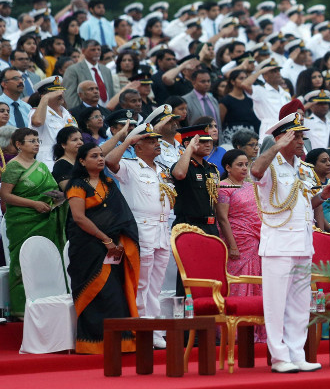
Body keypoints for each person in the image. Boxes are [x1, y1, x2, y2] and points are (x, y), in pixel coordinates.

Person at [250, 112, 330, 373]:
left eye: (302, 136)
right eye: (295, 136)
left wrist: (321, 196)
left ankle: (297, 353)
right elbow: (255, 171)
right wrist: (274, 145)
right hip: (278, 244)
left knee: (300, 304)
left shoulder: (301, 167)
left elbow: (301, 206)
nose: (301, 141)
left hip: (302, 241)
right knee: (277, 304)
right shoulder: (270, 165)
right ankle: (279, 357)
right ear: (281, 137)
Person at [105, 117, 175, 349]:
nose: (156, 143)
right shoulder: (131, 166)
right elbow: (109, 160)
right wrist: (126, 141)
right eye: (149, 140)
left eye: (157, 139)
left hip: (162, 229)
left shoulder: (162, 169)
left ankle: (155, 330)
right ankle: (141, 328)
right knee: (142, 283)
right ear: (138, 145)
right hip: (142, 229)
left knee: (156, 285)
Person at [66, 142, 140, 354]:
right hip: (88, 249)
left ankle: (122, 342)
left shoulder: (108, 183)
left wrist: (116, 241)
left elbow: (121, 216)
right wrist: (105, 240)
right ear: (82, 161)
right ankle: (93, 344)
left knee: (116, 294)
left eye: (101, 155)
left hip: (114, 248)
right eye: (93, 156)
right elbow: (79, 218)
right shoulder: (77, 185)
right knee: (99, 294)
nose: (100, 159)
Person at [0, 127, 66, 318]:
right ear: (19, 145)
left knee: (43, 262)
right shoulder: (13, 166)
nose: (37, 143)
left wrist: (60, 198)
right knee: (23, 262)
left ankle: (47, 304)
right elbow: (5, 195)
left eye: (38, 140)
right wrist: (34, 204)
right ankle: (21, 309)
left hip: (46, 219)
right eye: (32, 141)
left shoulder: (42, 166)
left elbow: (52, 189)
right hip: (22, 221)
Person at [215, 149, 266, 342]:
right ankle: (235, 330)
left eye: (246, 164)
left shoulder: (251, 186)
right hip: (237, 239)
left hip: (256, 238)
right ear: (227, 167)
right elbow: (223, 218)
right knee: (239, 281)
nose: (245, 168)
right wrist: (233, 246)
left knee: (257, 280)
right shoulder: (223, 188)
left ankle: (256, 329)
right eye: (239, 165)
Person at [171, 124, 220, 236]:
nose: (208, 144)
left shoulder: (212, 169)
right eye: (202, 142)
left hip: (211, 227)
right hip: (189, 227)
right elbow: (179, 174)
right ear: (188, 143)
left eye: (209, 141)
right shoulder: (182, 166)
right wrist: (190, 149)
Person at [219, 70, 261, 142]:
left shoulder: (250, 100)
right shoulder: (226, 100)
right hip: (232, 136)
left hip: (249, 136)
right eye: (241, 78)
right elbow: (220, 122)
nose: (244, 80)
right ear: (232, 81)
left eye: (246, 78)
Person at [52, 126, 83, 191]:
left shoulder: (82, 161)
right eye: (75, 140)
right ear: (63, 145)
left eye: (81, 139)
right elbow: (70, 191)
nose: (80, 142)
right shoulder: (61, 165)